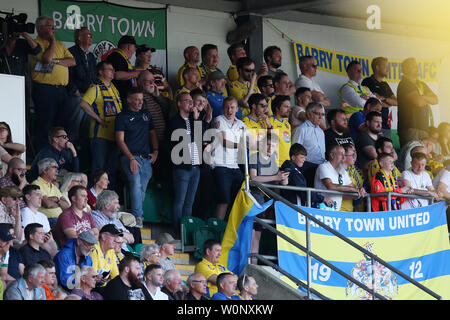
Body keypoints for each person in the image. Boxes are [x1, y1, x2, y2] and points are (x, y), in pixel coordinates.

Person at [29, 15, 76, 151]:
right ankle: (44, 155)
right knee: (45, 124)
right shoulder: (35, 43)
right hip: (44, 89)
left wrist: (56, 61)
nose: (53, 29)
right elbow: (46, 59)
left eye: (54, 26)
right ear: (40, 28)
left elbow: (72, 61)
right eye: (50, 26)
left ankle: (61, 155)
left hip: (61, 90)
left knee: (63, 123)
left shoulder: (61, 44)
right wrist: (52, 41)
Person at [115, 87, 159, 228]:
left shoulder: (146, 114)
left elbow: (152, 133)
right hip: (130, 157)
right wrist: (131, 158)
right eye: (137, 99)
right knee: (135, 184)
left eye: (141, 99)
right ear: (128, 100)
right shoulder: (122, 117)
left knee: (142, 189)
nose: (140, 102)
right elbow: (120, 140)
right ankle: (137, 217)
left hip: (146, 158)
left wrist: (156, 151)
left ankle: (134, 216)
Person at [168, 92, 208, 231]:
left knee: (189, 202)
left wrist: (197, 118)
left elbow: (200, 138)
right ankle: (178, 230)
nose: (191, 104)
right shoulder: (174, 121)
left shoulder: (194, 120)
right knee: (180, 201)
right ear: (179, 103)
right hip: (182, 165)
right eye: (187, 101)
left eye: (192, 101)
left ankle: (187, 231)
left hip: (195, 165)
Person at [79, 61, 122, 189]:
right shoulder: (96, 87)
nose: (113, 71)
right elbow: (83, 103)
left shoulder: (113, 88)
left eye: (113, 69)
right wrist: (98, 119)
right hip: (100, 135)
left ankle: (109, 200)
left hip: (114, 135)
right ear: (101, 72)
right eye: (109, 69)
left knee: (111, 170)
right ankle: (95, 200)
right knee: (99, 170)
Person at [249, 133, 289, 262]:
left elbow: (281, 182)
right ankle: (250, 261)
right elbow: (254, 178)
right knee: (253, 232)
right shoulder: (254, 157)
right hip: (255, 199)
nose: (269, 148)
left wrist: (283, 178)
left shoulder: (273, 161)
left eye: (273, 146)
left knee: (258, 233)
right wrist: (275, 177)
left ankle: (254, 262)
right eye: (267, 145)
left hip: (267, 201)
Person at [210, 97, 248, 220]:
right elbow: (223, 141)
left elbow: (249, 143)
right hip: (220, 165)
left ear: (237, 109)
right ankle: (217, 230)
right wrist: (240, 145)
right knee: (224, 200)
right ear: (222, 108)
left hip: (235, 167)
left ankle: (233, 230)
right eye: (227, 107)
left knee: (239, 200)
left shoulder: (241, 124)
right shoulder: (219, 120)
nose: (229, 110)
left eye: (232, 107)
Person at [397, 57, 438, 147]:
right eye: (413, 66)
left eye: (416, 66)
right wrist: (426, 99)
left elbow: (435, 100)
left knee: (422, 157)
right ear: (406, 69)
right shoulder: (405, 84)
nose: (417, 68)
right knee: (411, 156)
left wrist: (423, 97)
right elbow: (419, 102)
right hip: (410, 128)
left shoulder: (421, 84)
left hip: (423, 128)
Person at [67, 27, 97, 144]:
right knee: (75, 125)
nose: (91, 37)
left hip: (89, 96)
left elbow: (94, 76)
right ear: (79, 38)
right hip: (77, 95)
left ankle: (82, 150)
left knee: (87, 126)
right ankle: (70, 148)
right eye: (88, 35)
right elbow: (67, 75)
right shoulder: (71, 52)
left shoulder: (91, 56)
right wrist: (74, 90)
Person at [280, 143, 333, 207]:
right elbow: (302, 191)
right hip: (292, 207)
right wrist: (322, 198)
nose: (304, 160)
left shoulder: (295, 169)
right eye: (302, 157)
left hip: (293, 206)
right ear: (293, 157)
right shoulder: (291, 170)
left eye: (305, 157)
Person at [314, 145, 365, 211]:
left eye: (344, 154)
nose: (344, 157)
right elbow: (330, 186)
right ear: (332, 155)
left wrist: (359, 190)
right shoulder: (324, 167)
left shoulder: (342, 171)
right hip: (322, 209)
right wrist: (352, 189)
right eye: (341, 154)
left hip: (336, 211)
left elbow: (352, 187)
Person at [361, 57, 398, 138]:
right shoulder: (367, 81)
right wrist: (387, 103)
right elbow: (369, 104)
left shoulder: (385, 84)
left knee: (386, 149)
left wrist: (382, 99)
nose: (388, 69)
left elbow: (396, 102)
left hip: (385, 125)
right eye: (385, 66)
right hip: (372, 125)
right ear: (377, 67)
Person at [292, 102, 326, 185]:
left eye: (322, 114)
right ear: (309, 114)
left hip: (321, 166)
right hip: (307, 167)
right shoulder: (301, 129)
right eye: (318, 114)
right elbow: (295, 150)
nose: (320, 117)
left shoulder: (321, 131)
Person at [20, 185, 57, 257]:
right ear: (28, 197)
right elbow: (28, 236)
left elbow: (50, 237)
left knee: (52, 244)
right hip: (26, 244)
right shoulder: (25, 212)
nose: (41, 197)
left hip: (42, 244)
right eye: (37, 195)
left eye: (41, 195)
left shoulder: (43, 216)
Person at [106, 35, 141, 103]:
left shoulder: (122, 58)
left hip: (124, 97)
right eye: (134, 47)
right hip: (118, 98)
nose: (134, 51)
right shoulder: (116, 56)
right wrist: (137, 74)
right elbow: (117, 75)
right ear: (129, 47)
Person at [341, 143, 365, 212]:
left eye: (355, 152)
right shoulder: (337, 169)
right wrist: (356, 193)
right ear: (344, 156)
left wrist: (359, 189)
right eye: (352, 154)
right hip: (340, 210)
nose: (355, 156)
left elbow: (355, 187)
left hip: (353, 211)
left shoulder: (354, 169)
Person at [269, 95, 292, 167]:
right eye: (286, 107)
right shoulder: (269, 122)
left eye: (289, 107)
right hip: (275, 164)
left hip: (287, 162)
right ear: (277, 108)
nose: (289, 110)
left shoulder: (287, 124)